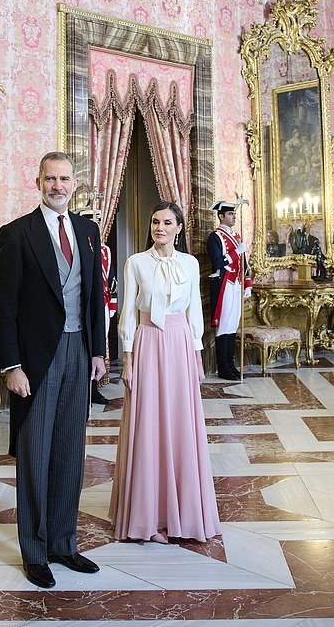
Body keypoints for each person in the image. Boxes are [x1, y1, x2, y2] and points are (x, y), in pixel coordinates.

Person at [0, 151, 106, 589]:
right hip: (36, 361)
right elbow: (5, 308)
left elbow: (93, 296)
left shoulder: (88, 231)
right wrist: (12, 365)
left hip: (80, 352)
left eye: (64, 178)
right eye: (50, 179)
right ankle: (35, 552)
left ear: (74, 183)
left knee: (69, 454)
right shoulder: (16, 234)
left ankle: (63, 542)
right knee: (36, 455)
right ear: (37, 182)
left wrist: (98, 352)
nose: (57, 186)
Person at [109, 201, 221, 543]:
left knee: (181, 423)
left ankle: (185, 513)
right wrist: (127, 357)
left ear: (179, 228)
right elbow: (127, 313)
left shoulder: (189, 263)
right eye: (156, 222)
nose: (160, 227)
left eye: (167, 222)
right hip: (147, 344)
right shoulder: (136, 263)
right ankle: (149, 517)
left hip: (180, 344)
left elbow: (194, 315)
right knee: (148, 424)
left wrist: (198, 352)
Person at [207, 200, 252, 380]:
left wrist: (247, 284)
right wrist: (235, 252)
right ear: (221, 216)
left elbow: (245, 264)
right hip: (224, 284)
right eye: (230, 214)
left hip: (236, 285)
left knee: (233, 326)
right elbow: (217, 262)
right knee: (224, 325)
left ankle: (231, 365)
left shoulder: (237, 237)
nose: (234, 217)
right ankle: (223, 367)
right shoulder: (215, 237)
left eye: (234, 214)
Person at [79, 203, 117, 406]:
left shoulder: (105, 250)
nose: (96, 225)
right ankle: (84, 390)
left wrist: (111, 304)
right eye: (92, 221)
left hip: (101, 303)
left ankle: (94, 389)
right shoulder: (78, 245)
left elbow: (110, 279)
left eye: (98, 221)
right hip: (83, 307)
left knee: (98, 346)